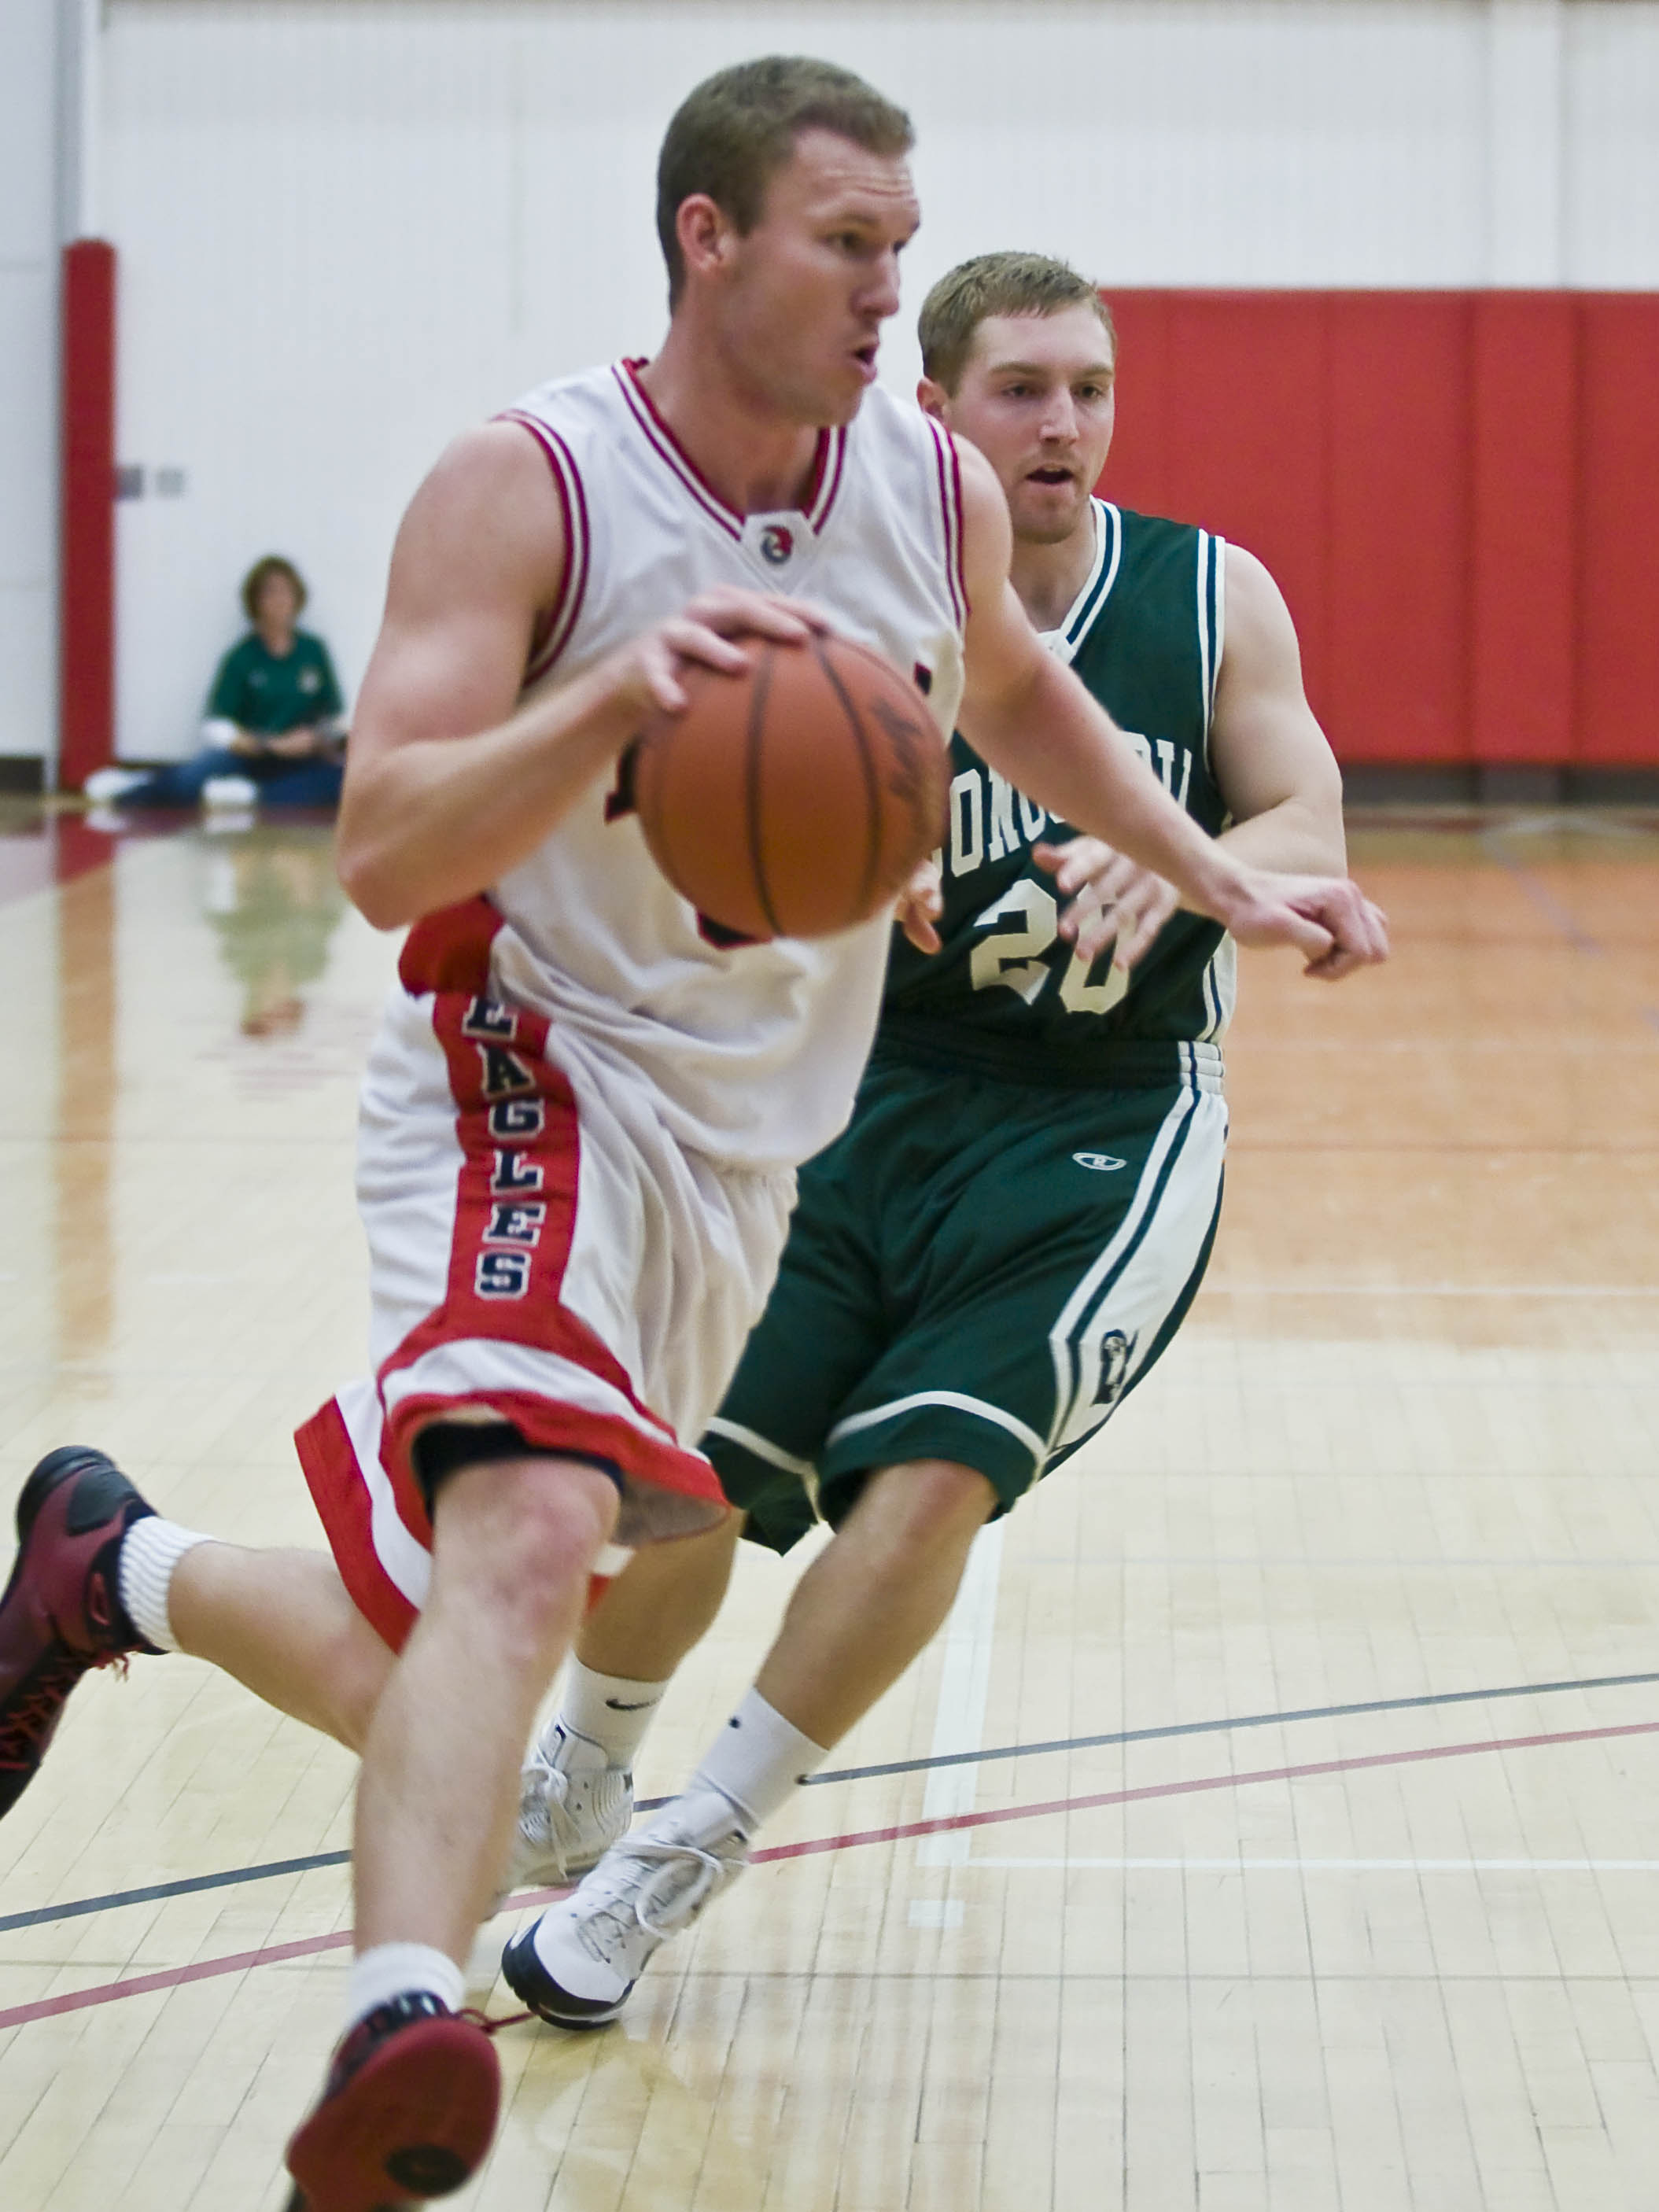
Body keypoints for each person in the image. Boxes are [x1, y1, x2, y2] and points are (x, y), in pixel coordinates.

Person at [0, 65, 1384, 2212]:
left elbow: (1009, 689)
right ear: (706, 240)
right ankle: (399, 2021)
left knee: (442, 1643)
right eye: (850, 244)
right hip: (534, 1063)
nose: (883, 286)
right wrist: (612, 701)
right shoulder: (527, 482)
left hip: (755, 1136)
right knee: (536, 1540)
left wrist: (1211, 871)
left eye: (900, 245)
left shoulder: (910, 485)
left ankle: (116, 1566)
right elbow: (375, 848)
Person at [500, 249, 1362, 2029]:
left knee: (932, 1472)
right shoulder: (848, 596)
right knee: (689, 1466)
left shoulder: (1208, 600)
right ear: (938, 414)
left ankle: (684, 1849)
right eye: (1024, 389)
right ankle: (583, 1762)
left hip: (1100, 1124)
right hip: (862, 1096)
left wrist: (1204, 853)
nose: (1064, 424)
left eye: (1090, 388)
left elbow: (1301, 798)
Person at [84, 555, 348, 813]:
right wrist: (264, 745)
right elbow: (216, 725)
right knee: (189, 781)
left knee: (342, 782)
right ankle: (130, 790)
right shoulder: (241, 657)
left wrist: (312, 739)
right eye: (271, 593)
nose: (280, 601)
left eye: (287, 592)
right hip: (250, 755)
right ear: (255, 603)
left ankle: (249, 796)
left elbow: (334, 717)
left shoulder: (314, 652)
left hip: (301, 758)